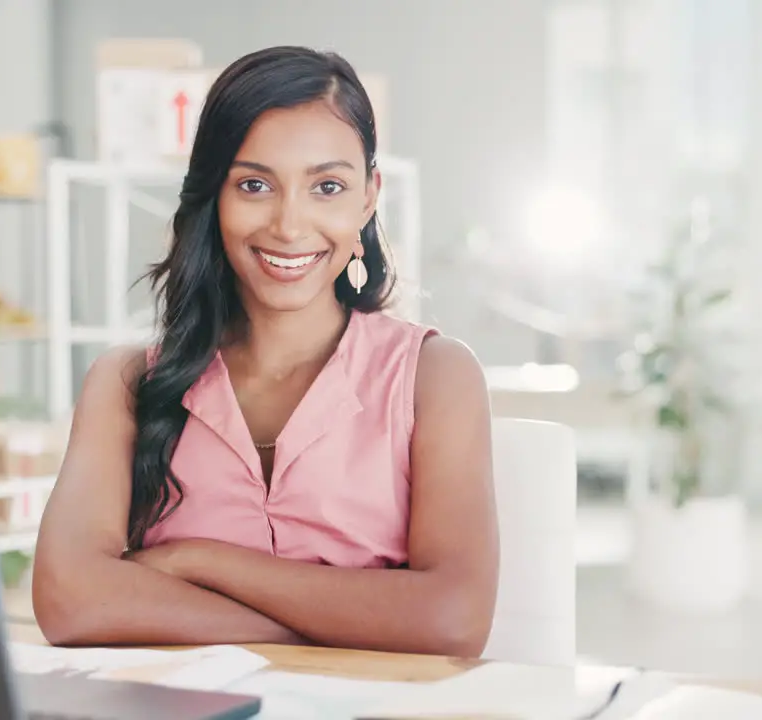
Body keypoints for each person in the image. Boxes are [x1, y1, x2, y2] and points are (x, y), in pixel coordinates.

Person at [31, 46, 499, 658]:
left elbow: (454, 620)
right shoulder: (126, 383)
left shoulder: (434, 376)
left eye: (327, 186)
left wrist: (199, 562)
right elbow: (70, 600)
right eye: (254, 184)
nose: (288, 224)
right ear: (213, 198)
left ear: (368, 198)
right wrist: (342, 626)